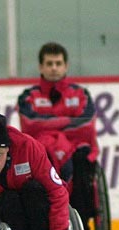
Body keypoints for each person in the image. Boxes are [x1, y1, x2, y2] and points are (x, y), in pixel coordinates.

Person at [17, 42, 98, 221]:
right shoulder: (28, 96)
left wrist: (50, 126)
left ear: (65, 66)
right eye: (49, 63)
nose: (54, 68)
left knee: (82, 170)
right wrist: (68, 122)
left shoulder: (81, 94)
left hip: (76, 149)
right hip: (41, 151)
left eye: (58, 63)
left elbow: (85, 126)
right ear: (41, 66)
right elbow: (30, 125)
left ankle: (81, 229)